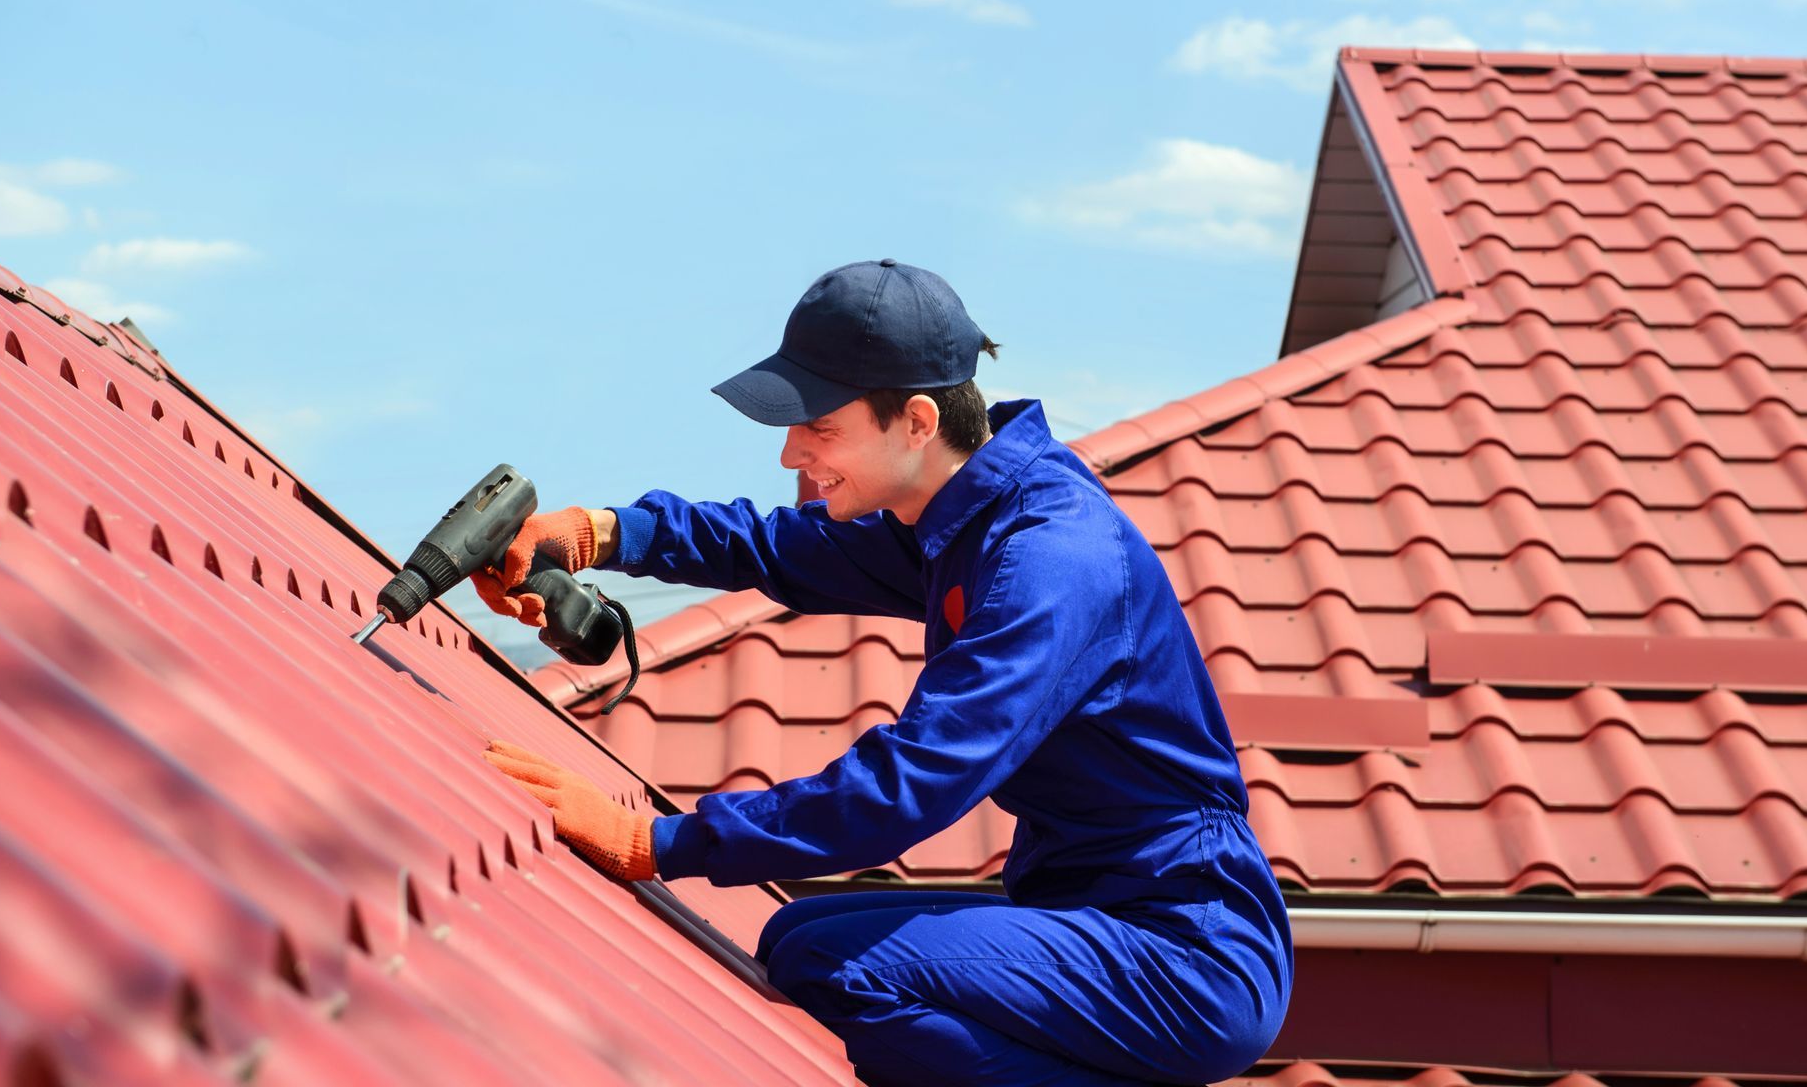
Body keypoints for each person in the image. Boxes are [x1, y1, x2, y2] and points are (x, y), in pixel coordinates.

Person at [474, 259, 1292, 1085]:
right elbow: (781, 546)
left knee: (839, 962)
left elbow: (914, 783)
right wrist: (601, 532)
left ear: (916, 420)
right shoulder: (962, 517)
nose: (793, 452)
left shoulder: (1049, 561)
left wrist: (657, 842)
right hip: (1097, 918)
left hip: (1184, 952)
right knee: (795, 940)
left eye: (820, 428)